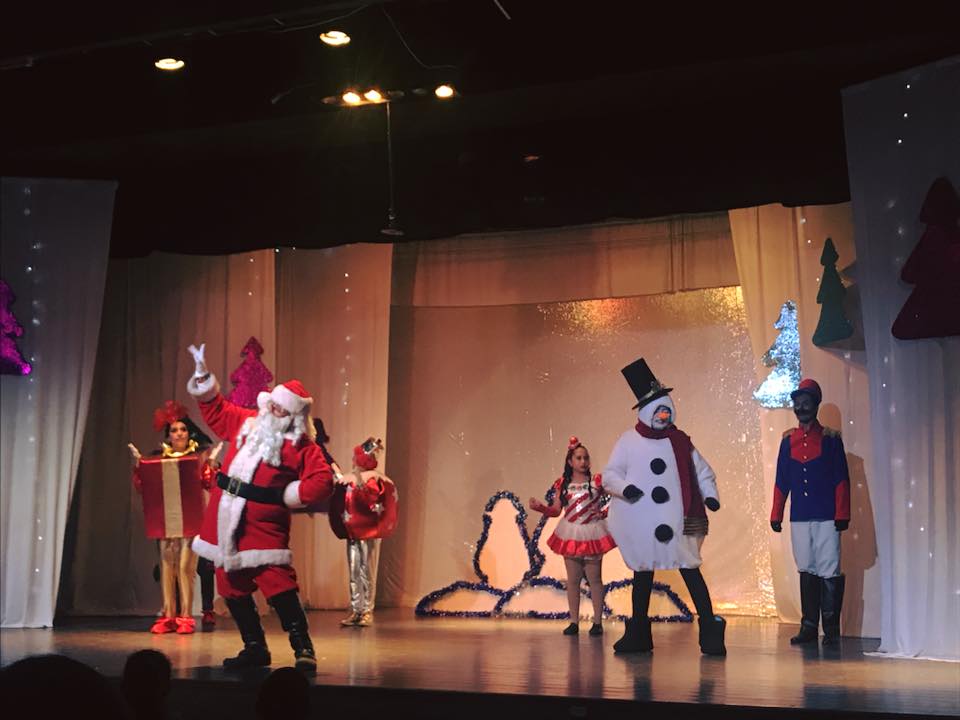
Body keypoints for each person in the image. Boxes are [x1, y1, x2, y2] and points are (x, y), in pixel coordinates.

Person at [185, 342, 335, 672]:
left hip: (263, 526)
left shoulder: (302, 445)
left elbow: (323, 480)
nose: (276, 412)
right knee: (229, 584)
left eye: (283, 409)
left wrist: (288, 495)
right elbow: (217, 411)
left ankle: (303, 648)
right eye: (275, 405)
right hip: (224, 518)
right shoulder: (247, 422)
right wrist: (203, 377)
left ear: (294, 415)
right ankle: (254, 647)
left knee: (278, 585)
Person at [602, 358, 726, 656]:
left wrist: (710, 495)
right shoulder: (628, 441)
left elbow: (702, 471)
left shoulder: (680, 441)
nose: (662, 415)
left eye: (666, 410)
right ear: (646, 412)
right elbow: (610, 475)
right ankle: (639, 635)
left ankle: (710, 632)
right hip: (643, 524)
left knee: (690, 570)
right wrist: (625, 488)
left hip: (679, 522)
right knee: (643, 574)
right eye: (657, 411)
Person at [770, 378, 850, 646]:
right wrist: (776, 513)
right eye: (798, 403)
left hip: (827, 515)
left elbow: (841, 479)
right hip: (800, 516)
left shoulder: (831, 439)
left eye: (806, 403)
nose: (801, 408)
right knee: (806, 567)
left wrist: (842, 513)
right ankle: (809, 626)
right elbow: (781, 481)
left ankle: (831, 629)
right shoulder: (787, 441)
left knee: (829, 567)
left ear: (815, 405)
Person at [130, 400, 217, 634]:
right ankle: (168, 615)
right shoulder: (159, 458)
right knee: (167, 566)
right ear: (169, 435)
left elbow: (209, 483)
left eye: (183, 429)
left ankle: (185, 616)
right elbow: (143, 487)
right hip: (166, 521)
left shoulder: (196, 458)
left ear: (189, 433)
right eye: (174, 430)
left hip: (191, 521)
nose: (179, 433)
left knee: (186, 566)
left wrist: (210, 465)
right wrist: (139, 467)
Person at [530, 436, 615, 636]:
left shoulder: (596, 482)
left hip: (592, 532)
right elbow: (556, 510)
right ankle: (574, 622)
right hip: (571, 533)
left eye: (586, 458)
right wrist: (540, 507)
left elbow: (616, 498)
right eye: (578, 458)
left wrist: (604, 512)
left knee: (595, 579)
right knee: (573, 580)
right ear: (570, 461)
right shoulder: (563, 484)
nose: (583, 461)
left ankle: (597, 622)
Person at [326, 437, 398, 628]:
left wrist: (359, 485)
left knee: (367, 570)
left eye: (355, 457)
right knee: (354, 570)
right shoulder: (351, 479)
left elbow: (370, 501)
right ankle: (356, 609)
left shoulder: (375, 480)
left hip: (369, 532)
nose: (352, 460)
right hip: (353, 532)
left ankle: (366, 610)